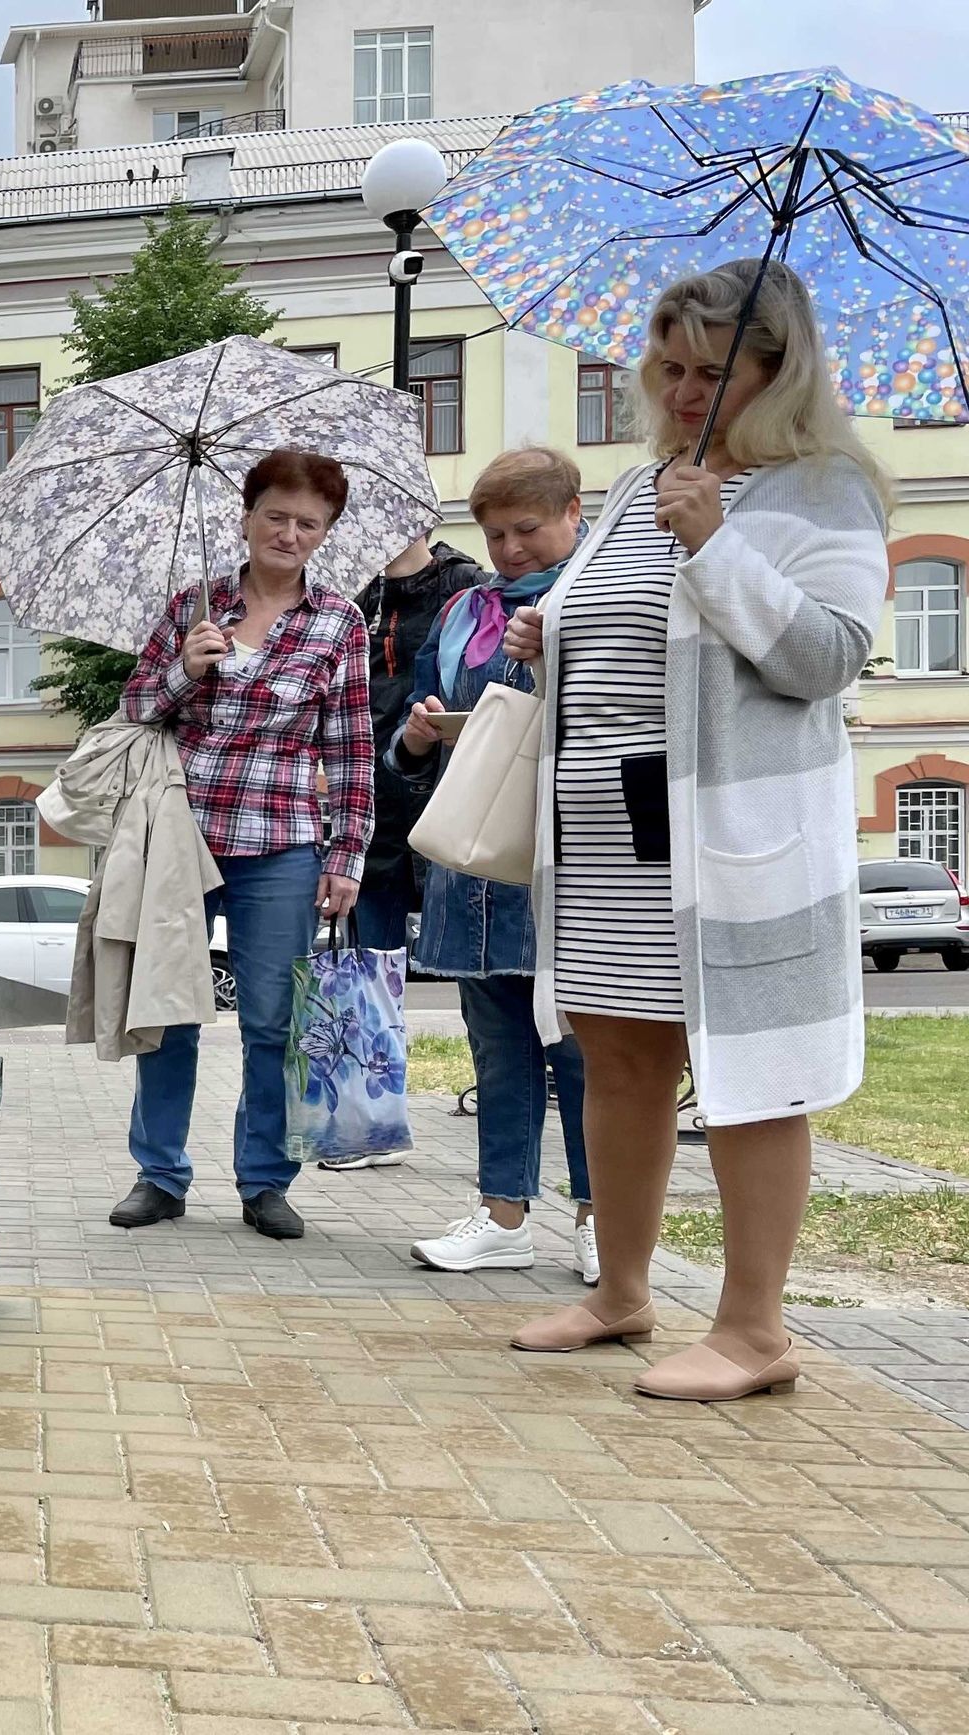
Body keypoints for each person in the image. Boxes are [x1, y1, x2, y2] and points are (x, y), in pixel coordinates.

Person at [503, 260, 890, 1402]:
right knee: (616, 1059)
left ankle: (754, 1329)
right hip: (607, 835)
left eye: (711, 371)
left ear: (779, 369)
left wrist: (715, 542)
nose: (681, 391)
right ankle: (621, 1292)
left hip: (729, 835)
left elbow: (824, 657)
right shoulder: (642, 484)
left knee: (748, 1074)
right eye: (666, 367)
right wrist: (550, 639)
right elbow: (628, 628)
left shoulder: (823, 489)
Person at [106, 448, 373, 1242]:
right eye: (276, 516)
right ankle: (159, 1174)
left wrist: (344, 855)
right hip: (181, 837)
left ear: (325, 533)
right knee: (170, 1007)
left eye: (308, 523)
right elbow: (136, 709)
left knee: (273, 1020)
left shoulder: (339, 622)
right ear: (247, 516)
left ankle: (264, 1181)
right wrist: (185, 670)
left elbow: (351, 750)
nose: (289, 534)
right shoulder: (195, 603)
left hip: (282, 839)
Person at [388, 449, 594, 1280]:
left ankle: (601, 1215)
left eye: (527, 529)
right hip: (474, 860)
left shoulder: (597, 593)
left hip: (569, 858)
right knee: (499, 1047)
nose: (509, 549)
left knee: (582, 1050)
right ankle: (504, 1214)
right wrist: (417, 731)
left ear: (574, 513)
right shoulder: (464, 609)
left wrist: (551, 653)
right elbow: (412, 732)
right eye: (495, 532)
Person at [314, 532, 480, 1174]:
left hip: (448, 795)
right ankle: (367, 1122)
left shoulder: (464, 587)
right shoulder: (355, 598)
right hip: (373, 807)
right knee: (365, 968)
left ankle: (505, 1104)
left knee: (475, 975)